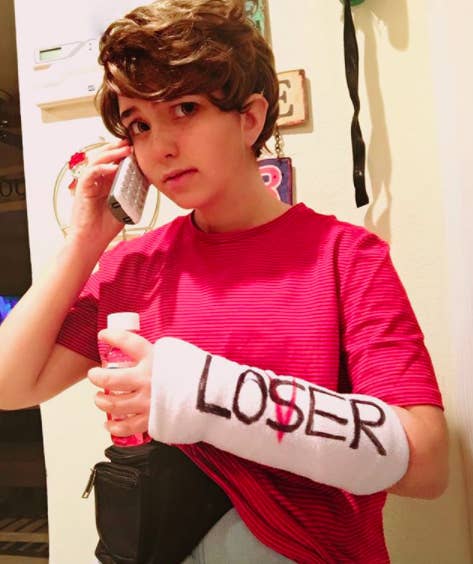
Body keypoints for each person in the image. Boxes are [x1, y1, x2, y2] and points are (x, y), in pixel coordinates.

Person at [0, 0, 448, 562]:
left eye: (185, 108)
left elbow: (426, 463)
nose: (161, 146)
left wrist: (198, 392)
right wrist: (86, 240)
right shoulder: (132, 268)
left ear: (250, 118)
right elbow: (10, 384)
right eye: (140, 125)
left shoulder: (345, 256)